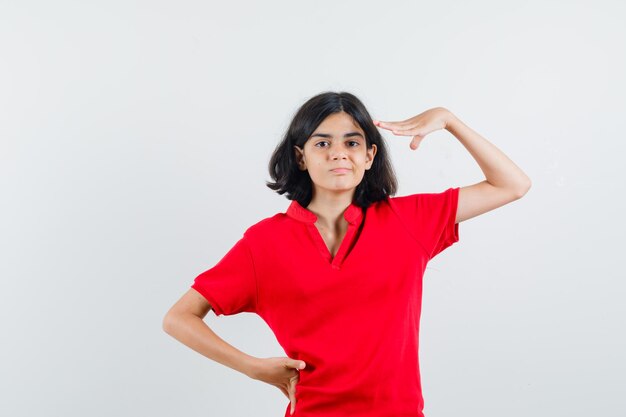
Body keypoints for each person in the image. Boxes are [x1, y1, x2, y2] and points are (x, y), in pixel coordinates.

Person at [162, 91, 531, 417]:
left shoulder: (409, 221)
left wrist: (448, 119)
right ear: (301, 156)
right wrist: (253, 367)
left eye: (352, 143)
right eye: (322, 143)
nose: (339, 153)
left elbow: (512, 184)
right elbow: (179, 318)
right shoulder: (265, 243)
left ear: (370, 155)